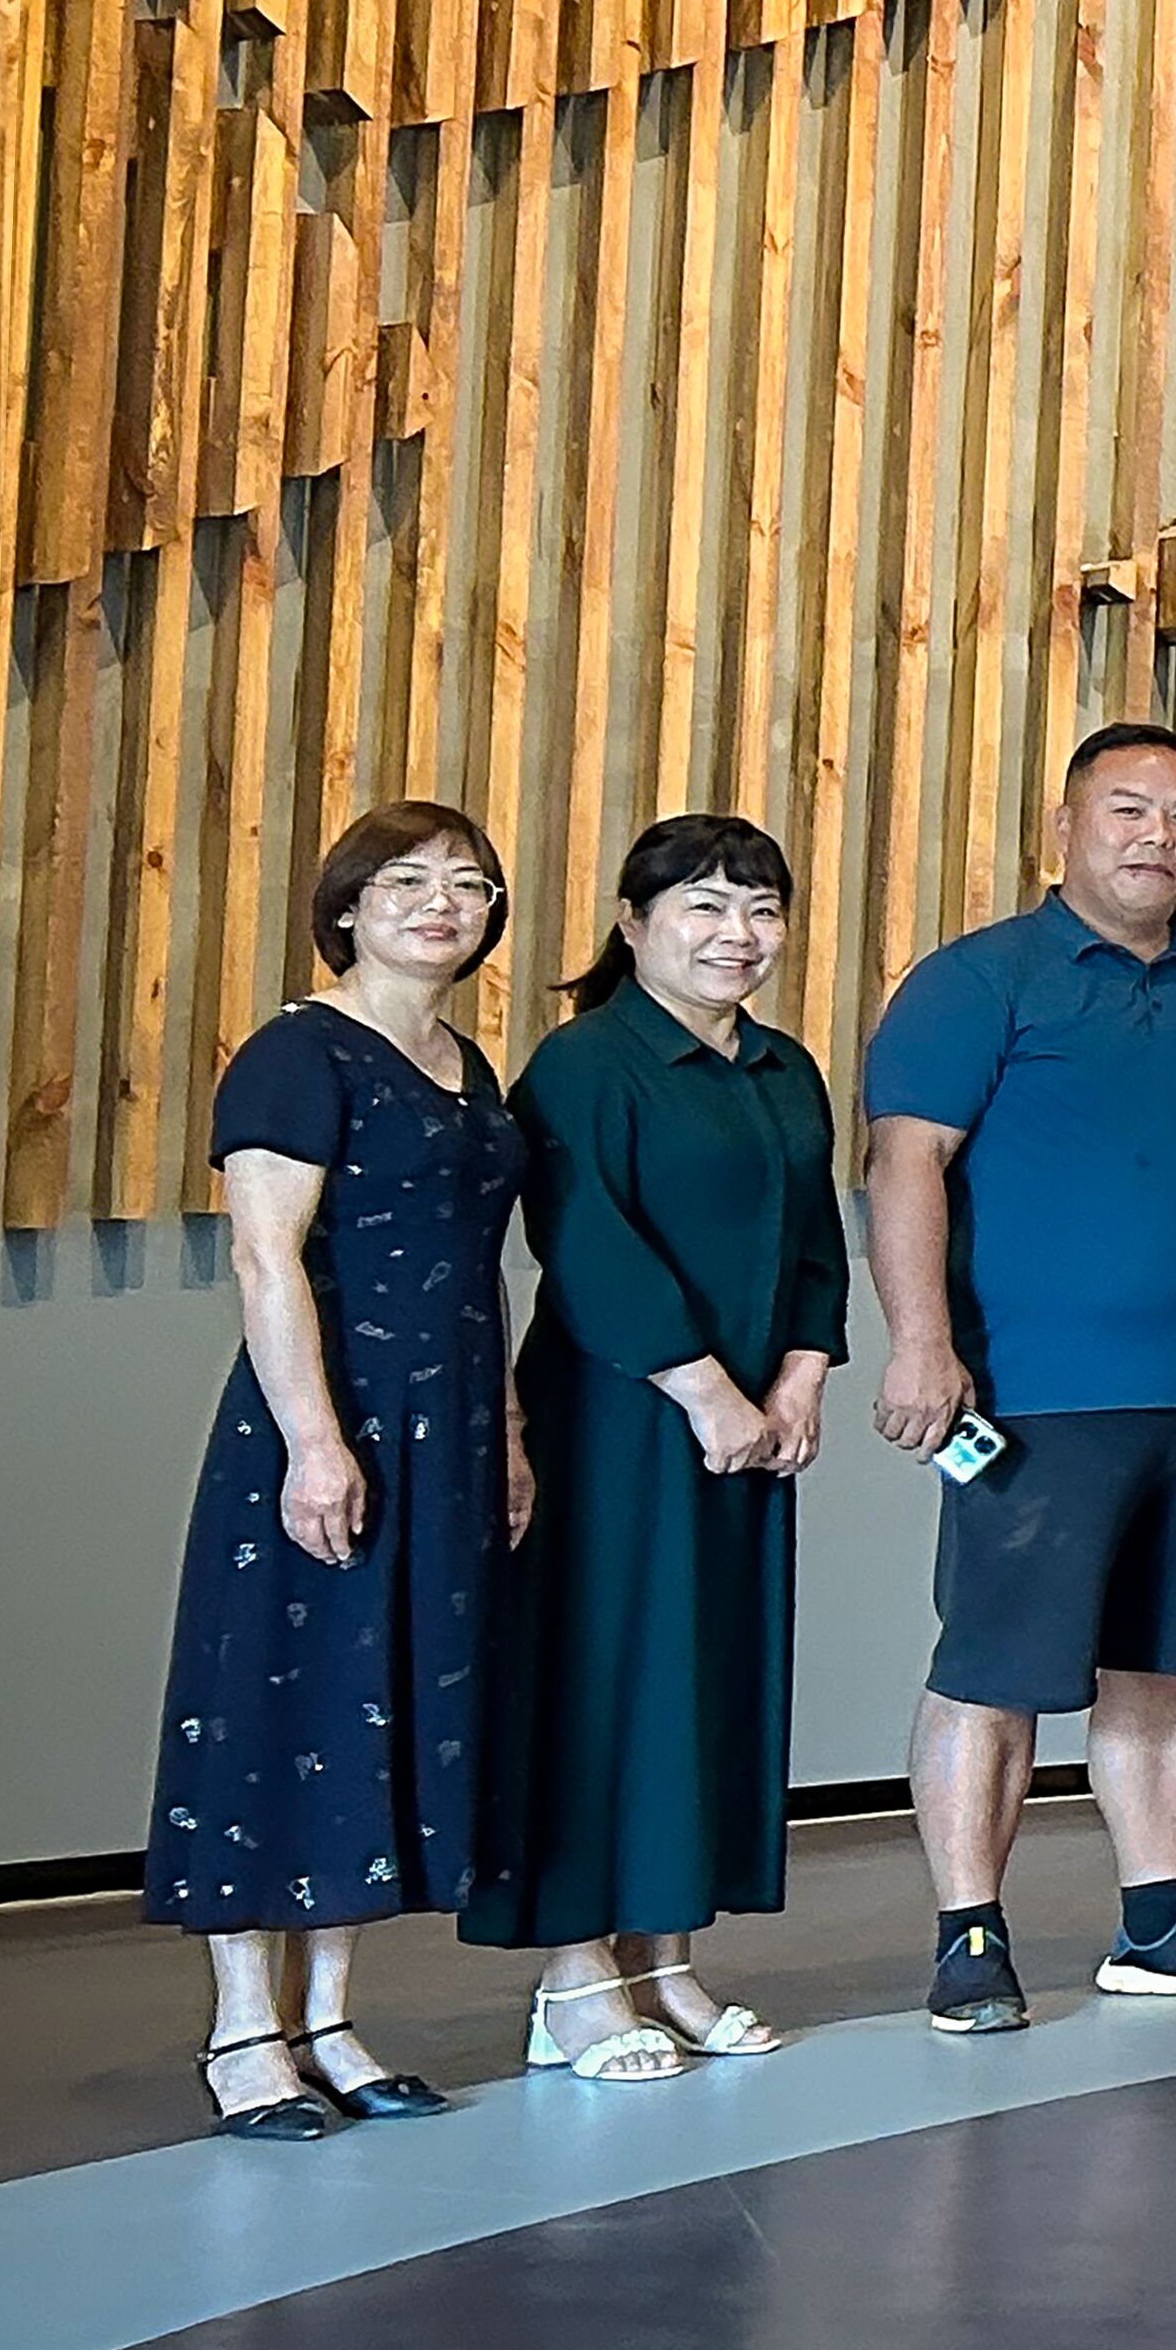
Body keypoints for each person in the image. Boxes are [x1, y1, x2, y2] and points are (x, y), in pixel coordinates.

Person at [864, 723, 1176, 2034]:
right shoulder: (976, 980)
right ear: (1061, 826)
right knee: (992, 1666)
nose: (1156, 837)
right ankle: (968, 1934)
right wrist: (919, 1341)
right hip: (1033, 1399)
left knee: (1165, 1667)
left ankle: (1156, 1922)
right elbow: (905, 1160)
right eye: (1127, 809)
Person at [150, 804, 530, 2143]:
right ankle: (243, 2029)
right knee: (280, 1698)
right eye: (407, 880)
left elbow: (480, 1267)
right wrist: (314, 1440)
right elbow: (266, 1259)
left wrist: (507, 1431)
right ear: (349, 906)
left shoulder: (468, 1065)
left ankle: (328, 2018)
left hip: (446, 1428)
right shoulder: (296, 1053)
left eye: (469, 884)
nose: (442, 903)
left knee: (376, 1708)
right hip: (326, 1419)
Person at [472, 815, 849, 2081]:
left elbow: (813, 1240)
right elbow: (587, 1245)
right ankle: (576, 1974)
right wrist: (704, 1391)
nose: (738, 933)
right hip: (621, 1420)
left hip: (750, 1424)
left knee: (707, 1676)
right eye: (704, 905)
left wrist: (799, 1375)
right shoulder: (585, 1062)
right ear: (632, 924)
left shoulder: (784, 1067)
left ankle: (666, 1958)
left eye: (761, 908)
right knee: (604, 1679)